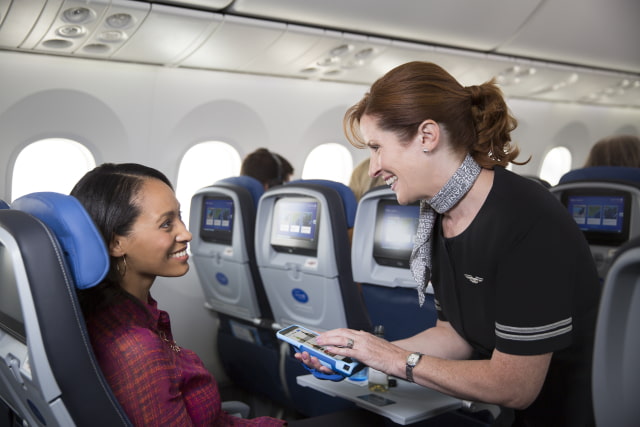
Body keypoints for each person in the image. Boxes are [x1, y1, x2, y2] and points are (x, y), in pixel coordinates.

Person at [296, 61, 600, 426]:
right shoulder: (440, 217)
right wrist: (362, 354)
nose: (373, 168)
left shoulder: (526, 221)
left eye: (377, 147)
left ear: (427, 136)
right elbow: (454, 335)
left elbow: (515, 386)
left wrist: (392, 359)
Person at [71, 163, 285, 427]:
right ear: (117, 242)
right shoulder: (136, 349)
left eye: (179, 217)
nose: (186, 233)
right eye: (166, 224)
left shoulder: (135, 312)